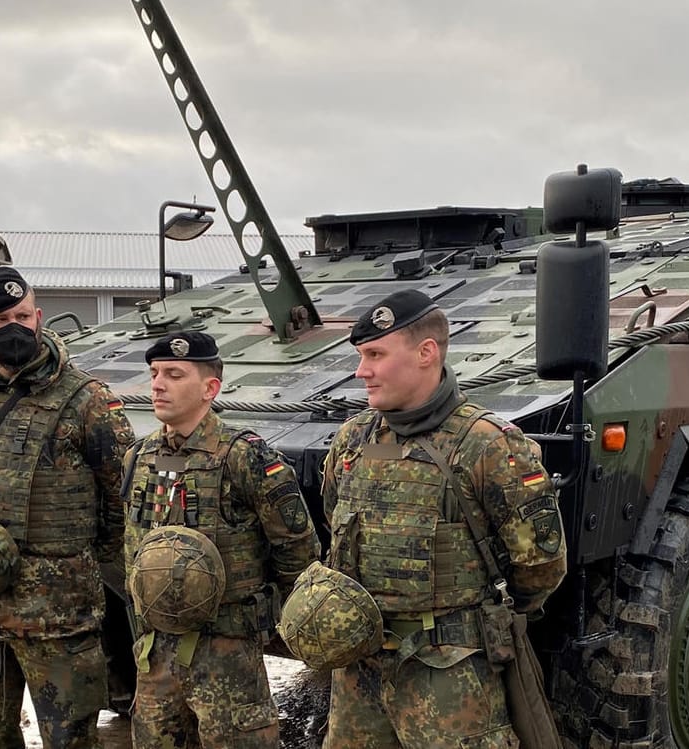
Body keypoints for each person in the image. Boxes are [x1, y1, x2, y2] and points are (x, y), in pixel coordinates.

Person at [319, 289, 568, 748]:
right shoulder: (353, 439)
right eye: (360, 356)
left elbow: (541, 568)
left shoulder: (488, 445)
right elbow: (334, 516)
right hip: (359, 675)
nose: (361, 371)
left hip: (452, 679)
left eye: (375, 354)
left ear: (425, 353)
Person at [0, 267, 134, 749]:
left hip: (57, 615)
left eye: (23, 315)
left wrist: (93, 571)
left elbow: (123, 497)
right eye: (1, 318)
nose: (15, 327)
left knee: (69, 738)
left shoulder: (87, 399)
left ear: (40, 317)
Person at [122, 330, 319, 748]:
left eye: (174, 374)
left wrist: (274, 619)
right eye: (155, 373)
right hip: (155, 656)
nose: (157, 384)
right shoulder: (138, 457)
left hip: (227, 657)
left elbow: (297, 547)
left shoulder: (245, 458)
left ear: (210, 387)